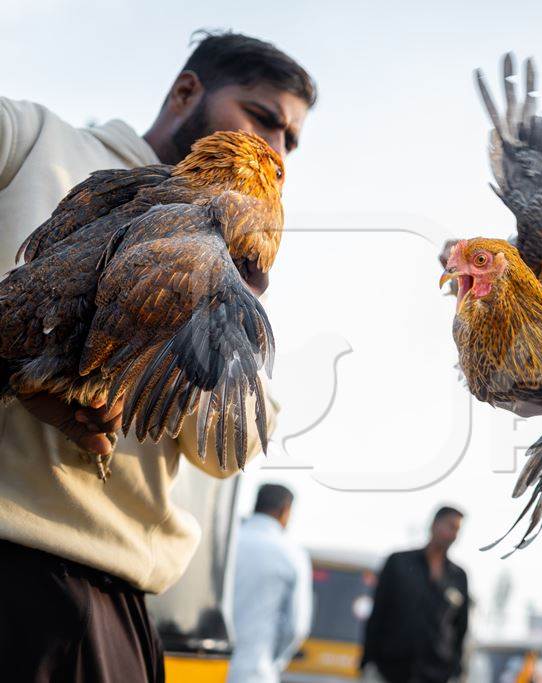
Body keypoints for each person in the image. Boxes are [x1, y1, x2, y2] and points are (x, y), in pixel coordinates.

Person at [0, 31, 315, 682]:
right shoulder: (33, 139)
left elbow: (228, 448)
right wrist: (25, 372)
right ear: (185, 93)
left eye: (291, 140)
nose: (277, 152)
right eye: (263, 118)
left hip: (105, 595)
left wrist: (211, 307)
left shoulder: (229, 247)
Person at [361, 506, 470, 683]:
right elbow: (378, 613)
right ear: (434, 525)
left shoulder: (458, 576)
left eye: (457, 530)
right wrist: (367, 661)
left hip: (435, 673)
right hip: (389, 670)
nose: (452, 534)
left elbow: (461, 628)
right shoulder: (398, 563)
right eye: (450, 526)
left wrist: (456, 670)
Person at [228, 484, 313, 683]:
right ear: (285, 510)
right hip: (254, 672)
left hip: (204, 665)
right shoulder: (292, 554)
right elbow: (296, 627)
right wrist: (272, 663)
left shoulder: (228, 541)